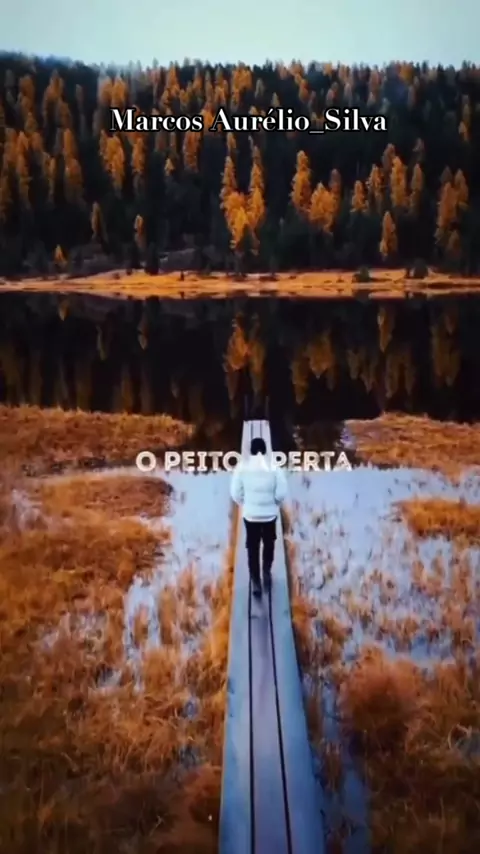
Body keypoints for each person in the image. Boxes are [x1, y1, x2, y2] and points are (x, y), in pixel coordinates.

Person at [230, 437, 288, 597]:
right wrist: (274, 503)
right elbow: (281, 492)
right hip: (269, 516)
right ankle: (266, 572)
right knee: (269, 544)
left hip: (251, 516)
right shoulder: (274, 467)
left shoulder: (241, 468)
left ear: (251, 451)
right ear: (264, 450)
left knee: (252, 547)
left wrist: (246, 503)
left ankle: (255, 580)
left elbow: (235, 493)